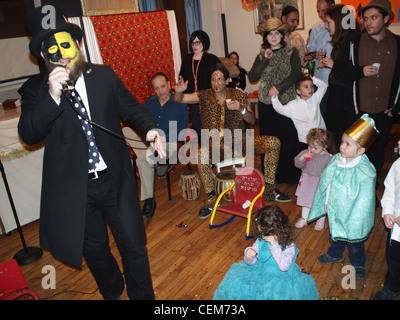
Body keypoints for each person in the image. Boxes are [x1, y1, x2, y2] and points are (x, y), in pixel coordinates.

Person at [18, 6, 165, 300]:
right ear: (44, 57)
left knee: (134, 246)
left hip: (115, 180)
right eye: (52, 50)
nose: (62, 54)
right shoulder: (36, 90)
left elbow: (132, 109)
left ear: (78, 45)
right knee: (96, 251)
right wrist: (52, 95)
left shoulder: (104, 76)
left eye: (66, 44)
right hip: (76, 189)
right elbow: (28, 134)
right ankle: (112, 290)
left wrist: (150, 131)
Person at [175, 63, 289, 220]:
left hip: (239, 140)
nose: (217, 82)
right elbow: (180, 99)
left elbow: (250, 119)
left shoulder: (239, 96)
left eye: (220, 78)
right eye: (214, 78)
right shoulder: (203, 95)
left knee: (273, 142)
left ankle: (270, 189)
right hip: (215, 145)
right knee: (201, 154)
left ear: (227, 80)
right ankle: (211, 198)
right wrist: (178, 92)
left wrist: (241, 109)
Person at [331, 0, 400, 182]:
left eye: (374, 18)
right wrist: (360, 71)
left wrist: (395, 107)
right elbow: (338, 70)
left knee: (377, 155)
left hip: (384, 112)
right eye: (365, 18)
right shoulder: (354, 43)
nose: (368, 22)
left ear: (386, 19)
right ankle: (350, 190)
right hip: (357, 112)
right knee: (354, 155)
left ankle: (370, 192)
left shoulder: (397, 44)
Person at [308, 114, 379, 279]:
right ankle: (335, 253)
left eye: (348, 144)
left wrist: (358, 213)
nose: (342, 147)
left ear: (361, 150)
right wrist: (326, 202)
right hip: (335, 207)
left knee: (355, 242)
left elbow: (365, 196)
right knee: (335, 234)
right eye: (342, 142)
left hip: (355, 213)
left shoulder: (365, 169)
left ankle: (358, 263)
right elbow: (328, 183)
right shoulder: (336, 161)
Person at [213, 205, 319, 300]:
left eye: (266, 234)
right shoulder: (260, 240)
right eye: (261, 233)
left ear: (280, 229)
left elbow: (284, 267)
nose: (263, 237)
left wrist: (274, 245)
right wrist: (249, 255)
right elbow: (250, 262)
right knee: (238, 286)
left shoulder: (289, 246)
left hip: (280, 278)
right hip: (258, 272)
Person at [123, 72, 188, 220]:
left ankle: (148, 200)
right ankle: (158, 163)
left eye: (163, 86)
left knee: (142, 160)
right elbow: (141, 125)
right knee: (125, 131)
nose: (161, 91)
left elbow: (182, 132)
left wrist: (163, 137)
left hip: (169, 144)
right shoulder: (149, 102)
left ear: (169, 85)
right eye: (157, 88)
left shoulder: (179, 102)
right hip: (150, 143)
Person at [248, 17, 302, 185]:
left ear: (282, 35)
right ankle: (272, 177)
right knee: (269, 141)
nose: (273, 37)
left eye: (276, 33)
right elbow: (252, 76)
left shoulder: (291, 52)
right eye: (269, 34)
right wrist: (265, 59)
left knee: (288, 139)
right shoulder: (262, 55)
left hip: (286, 102)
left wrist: (279, 88)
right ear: (265, 37)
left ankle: (290, 176)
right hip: (266, 104)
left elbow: (295, 75)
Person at [317, 4, 361, 147]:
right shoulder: (341, 41)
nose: (326, 26)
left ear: (339, 22)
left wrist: (333, 65)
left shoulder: (353, 42)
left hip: (344, 97)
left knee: (340, 136)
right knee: (332, 133)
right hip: (336, 92)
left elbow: (356, 72)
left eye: (329, 22)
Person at [179, 30, 220, 142]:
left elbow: (221, 76)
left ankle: (216, 156)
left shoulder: (212, 59)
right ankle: (204, 156)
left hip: (209, 100)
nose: (195, 45)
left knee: (212, 132)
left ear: (205, 43)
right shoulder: (187, 59)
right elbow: (182, 76)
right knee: (199, 132)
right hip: (193, 101)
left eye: (198, 42)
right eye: (193, 42)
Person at [373, 140, 400, 300]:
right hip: (396, 230)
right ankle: (393, 285)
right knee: (394, 258)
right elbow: (390, 188)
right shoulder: (398, 164)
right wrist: (388, 211)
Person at [271, 74, 327, 145]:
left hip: (321, 137)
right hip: (305, 141)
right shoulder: (293, 105)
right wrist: (274, 97)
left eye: (312, 86)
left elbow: (324, 86)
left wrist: (313, 78)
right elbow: (279, 109)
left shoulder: (315, 98)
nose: (310, 89)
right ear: (298, 91)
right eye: (306, 87)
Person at [294, 129, 332, 230]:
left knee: (319, 202)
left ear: (325, 147)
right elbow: (297, 164)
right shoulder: (306, 153)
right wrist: (302, 157)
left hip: (319, 183)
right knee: (305, 200)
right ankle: (304, 218)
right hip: (307, 181)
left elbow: (330, 173)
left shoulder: (328, 158)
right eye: (309, 146)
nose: (311, 149)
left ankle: (320, 219)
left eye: (315, 148)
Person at [306, 0, 335, 119]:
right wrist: (314, 55)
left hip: (335, 81)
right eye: (318, 11)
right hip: (319, 81)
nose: (321, 14)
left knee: (334, 118)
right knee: (320, 117)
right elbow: (308, 55)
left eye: (323, 10)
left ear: (332, 7)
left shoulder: (344, 29)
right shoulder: (316, 29)